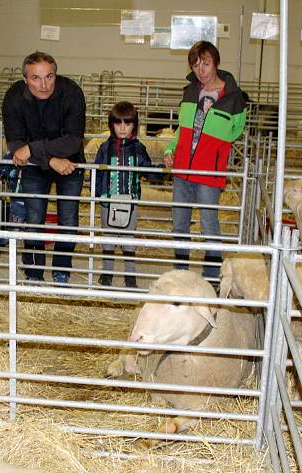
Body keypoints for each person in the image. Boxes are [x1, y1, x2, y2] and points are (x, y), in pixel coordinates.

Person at [163, 41, 246, 284]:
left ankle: (211, 278)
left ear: (216, 63)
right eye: (196, 65)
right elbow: (182, 128)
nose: (201, 70)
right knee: (179, 224)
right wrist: (171, 148)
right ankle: (181, 274)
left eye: (206, 64)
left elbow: (236, 131)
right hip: (182, 169)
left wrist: (214, 149)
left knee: (209, 225)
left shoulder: (233, 98)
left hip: (209, 171)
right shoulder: (189, 91)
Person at [1, 51, 86, 284]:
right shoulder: (14, 97)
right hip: (36, 167)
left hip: (70, 164)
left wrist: (34, 148)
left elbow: (73, 140)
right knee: (34, 217)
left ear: (56, 75)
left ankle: (61, 270)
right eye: (36, 78)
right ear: (25, 78)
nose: (44, 85)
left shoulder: (72, 93)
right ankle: (34, 272)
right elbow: (17, 146)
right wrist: (50, 160)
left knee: (68, 219)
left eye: (49, 76)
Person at [94, 101, 152, 289]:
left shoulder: (138, 148)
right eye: (118, 123)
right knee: (109, 239)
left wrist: (161, 171)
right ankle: (107, 273)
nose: (122, 128)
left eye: (127, 123)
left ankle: (130, 275)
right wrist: (97, 194)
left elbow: (148, 170)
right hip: (107, 200)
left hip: (130, 201)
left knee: (128, 240)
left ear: (134, 125)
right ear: (112, 125)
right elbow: (98, 170)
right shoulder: (105, 148)